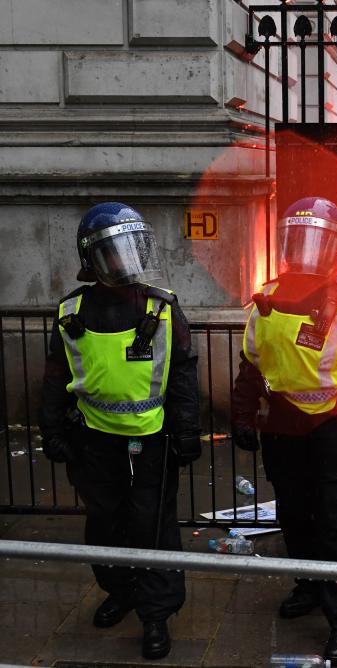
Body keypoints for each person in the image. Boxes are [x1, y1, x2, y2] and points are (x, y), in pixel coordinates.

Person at [231, 196, 337, 666]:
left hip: (335, 430)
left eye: (317, 242)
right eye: (297, 239)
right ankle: (308, 583)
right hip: (283, 428)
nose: (305, 251)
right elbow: (253, 363)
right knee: (295, 514)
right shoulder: (267, 296)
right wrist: (243, 416)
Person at [40, 202, 201, 660]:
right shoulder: (71, 311)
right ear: (91, 261)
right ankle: (121, 589)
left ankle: (155, 615)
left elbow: (183, 374)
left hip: (152, 439)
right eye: (113, 253)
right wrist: (51, 429)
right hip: (92, 438)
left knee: (153, 526)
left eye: (132, 250)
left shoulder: (162, 307)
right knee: (104, 522)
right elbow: (56, 375)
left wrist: (187, 429)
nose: (124, 262)